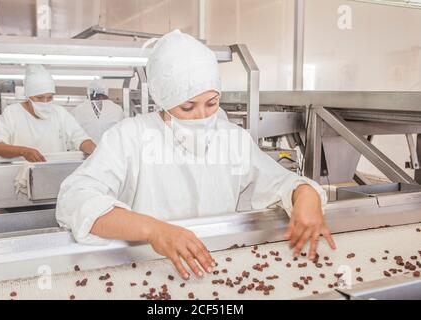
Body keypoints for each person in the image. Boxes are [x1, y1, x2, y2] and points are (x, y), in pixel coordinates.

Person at [56, 30, 336, 280]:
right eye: (187, 108)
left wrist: (306, 196)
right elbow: (77, 198)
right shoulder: (129, 137)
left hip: (219, 268)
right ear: (163, 101)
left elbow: (280, 182)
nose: (202, 116)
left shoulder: (232, 139)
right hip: (147, 270)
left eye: (212, 103)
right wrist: (154, 231)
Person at [0, 65, 96, 162]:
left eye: (49, 97)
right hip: (21, 174)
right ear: (28, 96)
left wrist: (95, 151)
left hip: (54, 172)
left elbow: (80, 139)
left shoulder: (60, 113)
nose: (45, 102)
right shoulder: (12, 113)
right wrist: (23, 151)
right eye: (39, 97)